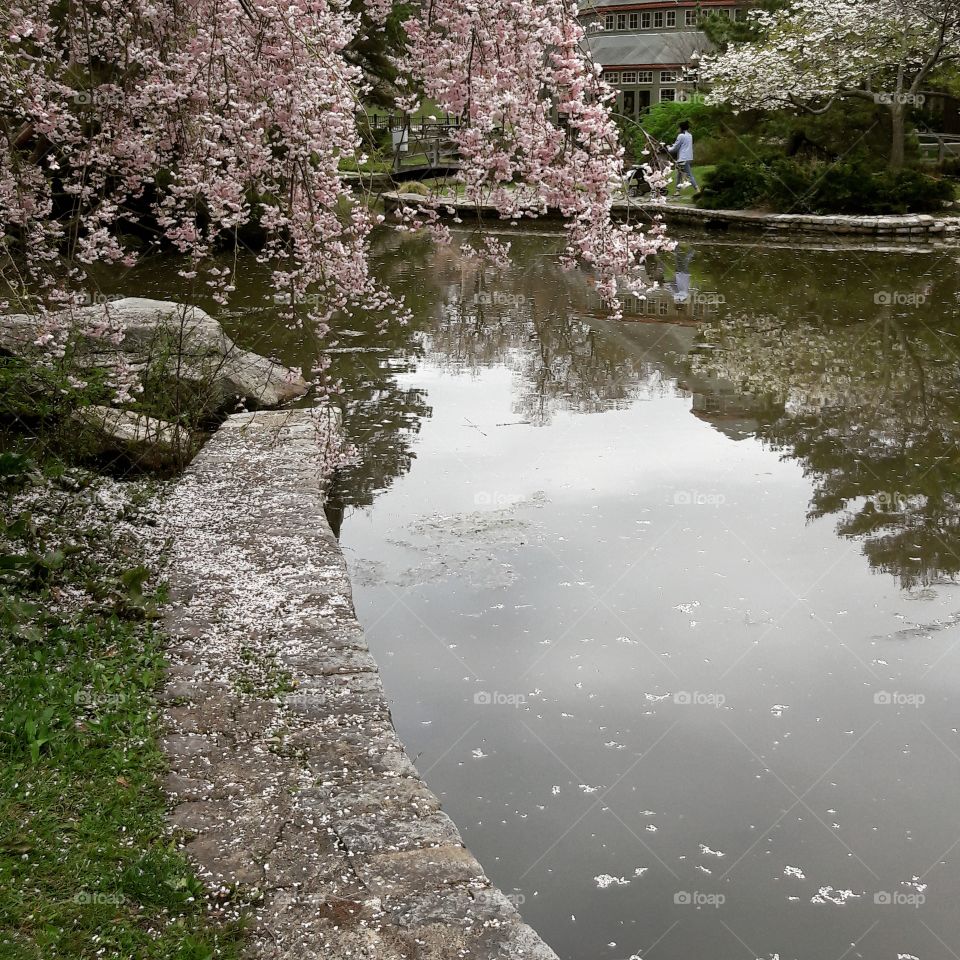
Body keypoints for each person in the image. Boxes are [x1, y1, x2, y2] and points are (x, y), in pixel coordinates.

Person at [667, 121, 698, 197]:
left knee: (689, 175)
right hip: (689, 157)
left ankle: (698, 190)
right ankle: (677, 191)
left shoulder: (681, 136)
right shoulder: (690, 135)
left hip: (683, 158)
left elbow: (675, 148)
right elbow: (682, 145)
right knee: (679, 174)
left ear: (681, 128)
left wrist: (668, 148)